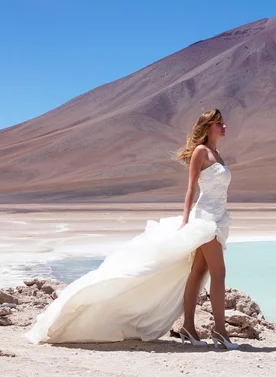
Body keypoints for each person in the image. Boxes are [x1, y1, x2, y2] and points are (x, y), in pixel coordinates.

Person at [26, 109, 238, 350]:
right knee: (218, 273)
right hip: (205, 219)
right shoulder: (201, 152)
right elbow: (190, 189)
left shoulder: (218, 155)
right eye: (219, 123)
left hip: (219, 218)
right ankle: (220, 331)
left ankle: (189, 326)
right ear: (208, 127)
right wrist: (186, 221)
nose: (224, 127)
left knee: (199, 272)